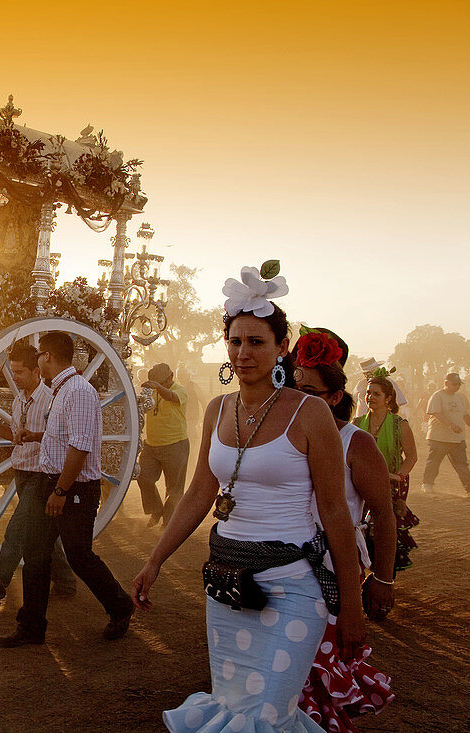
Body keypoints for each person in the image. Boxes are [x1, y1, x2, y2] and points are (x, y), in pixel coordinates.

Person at [132, 264, 365, 732]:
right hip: (228, 586)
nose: (243, 353)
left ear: (282, 348)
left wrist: (353, 606)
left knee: (268, 714)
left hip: (295, 587)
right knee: (235, 706)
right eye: (235, 341)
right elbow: (201, 491)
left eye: (257, 342)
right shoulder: (218, 409)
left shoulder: (310, 412)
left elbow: (335, 512)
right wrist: (155, 560)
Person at [0, 332, 135, 647]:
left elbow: (80, 447)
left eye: (39, 357)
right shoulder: (61, 391)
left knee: (79, 555)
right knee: (35, 553)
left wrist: (60, 492)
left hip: (74, 488)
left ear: (46, 357)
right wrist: (37, 436)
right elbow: (63, 436)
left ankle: (121, 605)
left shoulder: (79, 391)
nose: (38, 362)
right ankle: (31, 626)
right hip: (52, 483)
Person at [293, 328, 396, 731]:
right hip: (281, 567)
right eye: (294, 389)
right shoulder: (280, 434)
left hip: (334, 571)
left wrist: (383, 580)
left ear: (335, 398)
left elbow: (383, 517)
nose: (299, 402)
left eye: (312, 394)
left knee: (317, 673)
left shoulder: (357, 444)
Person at [0, 342, 77, 614]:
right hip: (22, 474)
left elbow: (62, 441)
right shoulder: (19, 401)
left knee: (16, 534)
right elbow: (15, 437)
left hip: (42, 476)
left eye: (19, 372)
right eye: (12, 372)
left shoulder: (52, 401)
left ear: (36, 372)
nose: (14, 378)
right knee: (41, 534)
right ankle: (65, 581)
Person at [354, 374, 418, 570]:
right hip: (359, 487)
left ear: (388, 398)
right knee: (360, 533)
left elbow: (412, 457)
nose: (370, 397)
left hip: (389, 487)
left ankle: (383, 577)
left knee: (383, 533)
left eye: (376, 394)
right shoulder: (356, 424)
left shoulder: (400, 425)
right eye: (368, 393)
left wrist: (396, 476)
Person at [138, 362, 189, 527]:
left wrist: (158, 387)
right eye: (155, 381)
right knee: (143, 477)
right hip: (151, 446)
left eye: (161, 381)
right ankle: (156, 510)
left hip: (176, 445)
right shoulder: (152, 391)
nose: (157, 384)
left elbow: (171, 397)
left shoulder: (179, 390)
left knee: (174, 488)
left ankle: (169, 523)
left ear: (171, 377)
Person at [420, 373, 470, 496]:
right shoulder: (438, 396)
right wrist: (451, 425)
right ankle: (427, 484)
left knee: (462, 465)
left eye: (458, 384)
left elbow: (465, 415)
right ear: (446, 383)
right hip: (439, 438)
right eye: (454, 384)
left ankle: (469, 488)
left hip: (457, 439)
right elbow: (436, 413)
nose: (457, 387)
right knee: (434, 462)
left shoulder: (460, 397)